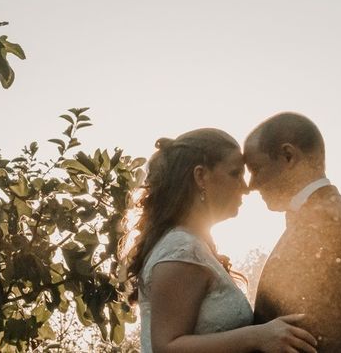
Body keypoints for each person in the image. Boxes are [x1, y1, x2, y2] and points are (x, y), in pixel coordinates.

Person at [127, 128, 319, 353]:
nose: (246, 187)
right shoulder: (181, 248)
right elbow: (167, 347)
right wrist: (257, 336)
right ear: (201, 176)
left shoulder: (193, 245)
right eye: (235, 173)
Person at [244, 113, 341, 353]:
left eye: (255, 168)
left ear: (288, 156)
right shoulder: (326, 214)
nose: (251, 184)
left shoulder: (325, 224)